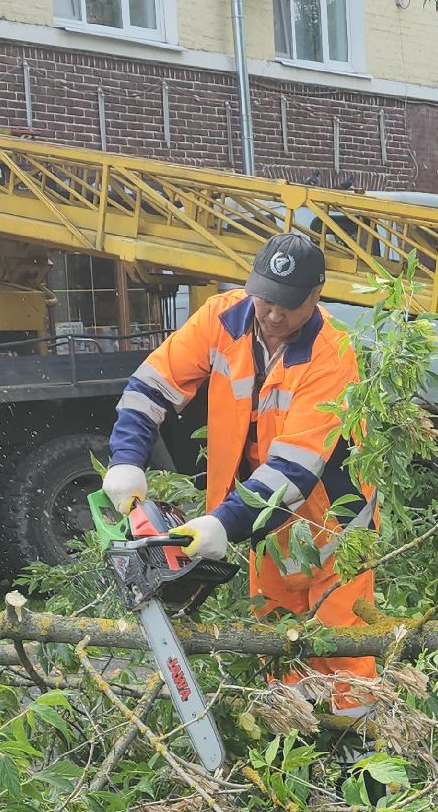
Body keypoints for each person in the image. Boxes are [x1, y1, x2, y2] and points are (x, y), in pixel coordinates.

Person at [101, 233, 378, 721]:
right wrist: (126, 458)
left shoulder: (333, 354)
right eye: (265, 297)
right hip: (262, 519)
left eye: (287, 305)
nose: (272, 314)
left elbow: (294, 469)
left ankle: (362, 769)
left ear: (316, 297)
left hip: (331, 521)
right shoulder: (222, 318)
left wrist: (222, 525)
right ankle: (293, 750)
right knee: (275, 639)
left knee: (341, 648)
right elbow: (153, 384)